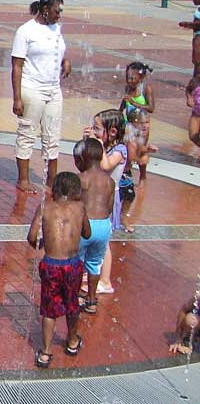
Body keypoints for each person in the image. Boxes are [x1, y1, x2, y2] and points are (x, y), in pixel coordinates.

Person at [27, 171, 91, 367]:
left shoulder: (45, 207)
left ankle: (46, 353)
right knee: (72, 304)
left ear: (55, 190)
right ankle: (72, 342)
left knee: (49, 309)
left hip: (51, 264)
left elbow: (31, 237)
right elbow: (87, 234)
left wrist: (42, 245)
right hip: (72, 264)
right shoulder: (79, 208)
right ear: (75, 192)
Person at [11, 0, 71, 193]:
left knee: (53, 136)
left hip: (54, 89)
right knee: (27, 134)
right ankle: (23, 180)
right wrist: (17, 97)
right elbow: (17, 66)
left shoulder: (56, 28)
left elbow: (57, 50)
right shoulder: (25, 31)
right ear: (45, 9)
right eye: (57, 11)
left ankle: (51, 180)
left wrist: (65, 61)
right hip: (32, 88)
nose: (59, 15)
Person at [86, 109, 129, 298]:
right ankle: (93, 272)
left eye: (97, 129)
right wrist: (89, 143)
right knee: (93, 236)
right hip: (98, 197)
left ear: (112, 132)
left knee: (104, 242)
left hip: (109, 199)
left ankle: (105, 281)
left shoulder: (120, 150)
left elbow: (105, 166)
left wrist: (98, 145)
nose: (95, 132)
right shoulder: (106, 147)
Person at [72, 137, 115, 317]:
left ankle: (74, 297)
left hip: (85, 225)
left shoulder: (81, 179)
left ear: (83, 159)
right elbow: (110, 207)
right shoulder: (109, 181)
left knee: (78, 262)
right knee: (95, 264)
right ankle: (91, 299)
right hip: (104, 226)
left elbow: (73, 204)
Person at [121, 61, 157, 186]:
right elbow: (124, 103)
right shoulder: (128, 88)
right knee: (129, 151)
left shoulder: (146, 89)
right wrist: (118, 113)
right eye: (127, 77)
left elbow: (151, 108)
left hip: (142, 126)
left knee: (140, 151)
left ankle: (143, 176)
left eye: (132, 78)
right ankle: (126, 173)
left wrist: (134, 102)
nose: (129, 80)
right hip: (129, 124)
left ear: (141, 77)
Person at [176, 0, 200, 76]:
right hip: (196, 35)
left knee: (197, 60)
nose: (193, 0)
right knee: (196, 61)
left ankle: (196, 79)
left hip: (199, 37)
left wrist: (187, 24)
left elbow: (198, 23)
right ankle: (195, 78)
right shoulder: (199, 9)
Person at [186, 73, 200, 154]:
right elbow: (188, 89)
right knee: (192, 136)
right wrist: (189, 98)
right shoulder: (195, 81)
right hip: (196, 113)